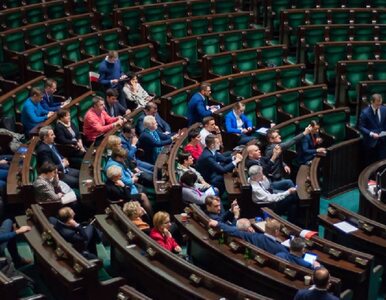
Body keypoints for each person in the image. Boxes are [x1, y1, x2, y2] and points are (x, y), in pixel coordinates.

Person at [104, 148, 152, 215]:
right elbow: (127, 197)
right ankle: (150, 216)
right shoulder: (113, 186)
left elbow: (126, 169)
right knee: (143, 195)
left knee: (143, 189)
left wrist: (131, 175)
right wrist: (124, 186)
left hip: (126, 192)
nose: (121, 178)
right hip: (126, 199)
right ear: (115, 177)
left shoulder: (114, 179)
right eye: (119, 176)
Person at [264, 126, 312, 190]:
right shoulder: (275, 148)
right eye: (277, 136)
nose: (280, 136)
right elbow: (293, 140)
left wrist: (284, 165)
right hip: (275, 179)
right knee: (290, 183)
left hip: (280, 175)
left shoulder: (271, 147)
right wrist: (305, 133)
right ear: (271, 140)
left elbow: (276, 158)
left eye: (279, 135)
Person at [208, 218, 288, 255]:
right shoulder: (281, 248)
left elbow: (234, 231)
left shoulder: (254, 236)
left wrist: (218, 224)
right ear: (277, 232)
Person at [358, 93, 386, 165]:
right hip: (370, 142)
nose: (379, 106)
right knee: (370, 164)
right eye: (377, 104)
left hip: (383, 141)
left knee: (381, 163)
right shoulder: (365, 112)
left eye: (380, 104)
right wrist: (371, 134)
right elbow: (361, 127)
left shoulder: (384, 109)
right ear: (371, 102)